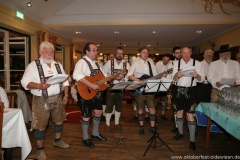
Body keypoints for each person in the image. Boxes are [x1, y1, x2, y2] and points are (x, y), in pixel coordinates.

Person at [21, 41, 69, 160]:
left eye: (51, 51)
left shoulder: (58, 65)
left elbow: (66, 81)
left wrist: (66, 95)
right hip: (40, 99)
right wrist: (39, 86)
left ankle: (57, 141)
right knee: (40, 126)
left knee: (59, 121)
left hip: (58, 98)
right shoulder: (33, 65)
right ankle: (40, 150)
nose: (49, 54)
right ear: (40, 52)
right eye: (46, 51)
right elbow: (24, 82)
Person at [73, 43, 122, 148]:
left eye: (96, 50)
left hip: (95, 93)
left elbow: (103, 75)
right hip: (85, 92)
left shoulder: (96, 63)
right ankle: (85, 138)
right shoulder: (81, 62)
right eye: (94, 50)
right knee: (86, 116)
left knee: (99, 112)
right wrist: (91, 85)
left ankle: (95, 134)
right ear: (87, 51)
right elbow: (76, 75)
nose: (96, 52)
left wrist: (115, 76)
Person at [172, 46, 204, 151]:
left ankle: (192, 140)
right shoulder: (176, 63)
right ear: (181, 53)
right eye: (183, 53)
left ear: (191, 53)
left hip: (190, 90)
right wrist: (177, 74)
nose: (185, 55)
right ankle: (180, 133)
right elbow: (173, 79)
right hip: (177, 90)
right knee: (179, 112)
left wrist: (197, 75)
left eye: (188, 53)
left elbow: (202, 80)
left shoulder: (197, 63)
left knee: (190, 114)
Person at [127, 46, 164, 135]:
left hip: (149, 88)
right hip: (139, 88)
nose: (146, 54)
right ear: (140, 53)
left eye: (147, 53)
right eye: (144, 52)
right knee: (140, 108)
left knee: (152, 108)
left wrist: (161, 76)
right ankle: (141, 126)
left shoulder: (150, 62)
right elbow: (129, 75)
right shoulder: (136, 62)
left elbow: (154, 75)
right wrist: (139, 81)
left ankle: (152, 127)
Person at [207, 44, 240, 144]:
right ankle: (214, 131)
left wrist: (236, 83)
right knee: (215, 111)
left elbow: (239, 76)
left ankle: (227, 134)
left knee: (229, 113)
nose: (226, 56)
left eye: (228, 54)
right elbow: (209, 76)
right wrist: (216, 82)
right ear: (220, 54)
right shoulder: (214, 64)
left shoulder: (235, 64)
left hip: (231, 92)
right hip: (217, 90)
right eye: (224, 54)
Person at [102, 47, 130, 133]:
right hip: (111, 87)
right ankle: (107, 124)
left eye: (121, 53)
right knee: (109, 106)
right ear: (115, 53)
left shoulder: (126, 64)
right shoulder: (109, 63)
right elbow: (103, 73)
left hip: (121, 87)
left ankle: (117, 123)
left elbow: (129, 76)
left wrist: (123, 79)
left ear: (123, 55)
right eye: (118, 53)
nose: (119, 55)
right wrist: (111, 76)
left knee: (119, 106)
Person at [167, 46, 182, 133]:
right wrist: (169, 91)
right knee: (177, 108)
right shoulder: (171, 65)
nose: (179, 54)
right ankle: (177, 126)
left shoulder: (187, 63)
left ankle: (189, 126)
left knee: (188, 109)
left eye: (180, 52)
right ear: (174, 54)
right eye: (177, 53)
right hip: (176, 87)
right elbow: (169, 79)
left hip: (188, 87)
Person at [155, 53, 172, 121]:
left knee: (163, 100)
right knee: (154, 100)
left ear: (169, 60)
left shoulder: (171, 66)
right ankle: (154, 114)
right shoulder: (158, 64)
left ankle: (163, 114)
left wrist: (166, 75)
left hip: (165, 84)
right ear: (162, 58)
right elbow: (154, 73)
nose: (165, 61)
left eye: (167, 60)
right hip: (156, 83)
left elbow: (170, 76)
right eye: (164, 59)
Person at [102, 54, 116, 118]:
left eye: (112, 57)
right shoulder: (107, 64)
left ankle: (113, 113)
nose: (110, 58)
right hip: (106, 83)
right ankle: (104, 113)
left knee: (114, 99)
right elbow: (102, 73)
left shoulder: (117, 64)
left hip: (115, 83)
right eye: (109, 57)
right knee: (105, 99)